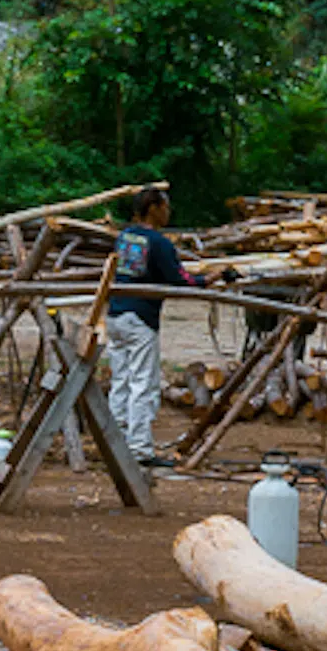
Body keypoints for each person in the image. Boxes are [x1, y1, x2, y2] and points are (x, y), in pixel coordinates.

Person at [103, 185, 184, 469]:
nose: (168, 212)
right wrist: (209, 280)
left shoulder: (126, 236)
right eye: (165, 206)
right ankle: (138, 449)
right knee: (143, 384)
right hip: (140, 319)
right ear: (154, 208)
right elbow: (178, 279)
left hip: (116, 315)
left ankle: (113, 442)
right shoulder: (158, 242)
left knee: (121, 381)